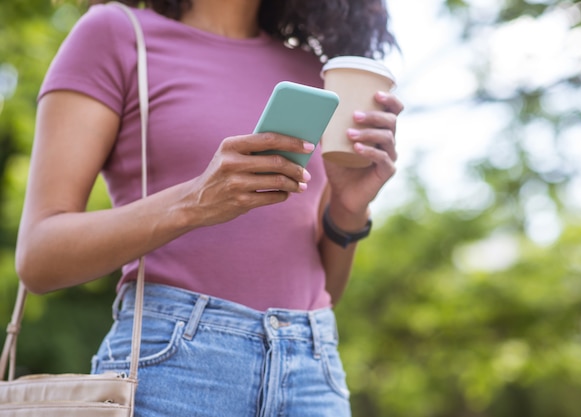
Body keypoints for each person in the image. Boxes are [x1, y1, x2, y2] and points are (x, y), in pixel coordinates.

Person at [15, 0, 403, 415]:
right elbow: (40, 257)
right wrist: (197, 200)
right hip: (171, 371)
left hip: (312, 368)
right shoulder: (116, 34)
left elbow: (326, 288)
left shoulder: (315, 72)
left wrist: (347, 207)